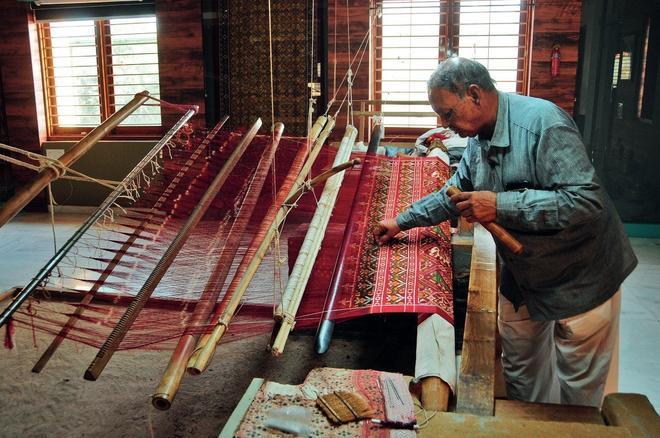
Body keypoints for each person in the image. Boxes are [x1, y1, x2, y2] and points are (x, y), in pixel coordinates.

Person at [373, 57, 638, 407]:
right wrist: (401, 221)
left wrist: (500, 206)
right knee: (522, 376)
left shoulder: (543, 125)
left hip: (581, 274)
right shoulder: (478, 140)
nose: (444, 125)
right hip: (524, 274)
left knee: (581, 387)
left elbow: (585, 201)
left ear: (474, 95)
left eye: (448, 114)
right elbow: (454, 193)